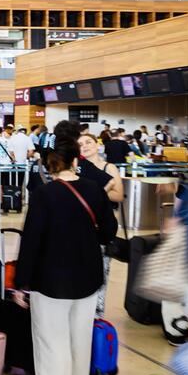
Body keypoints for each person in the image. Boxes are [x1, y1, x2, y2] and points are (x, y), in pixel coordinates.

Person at [13, 121, 117, 375]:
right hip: (88, 277)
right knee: (79, 339)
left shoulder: (45, 195)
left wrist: (21, 284)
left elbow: (31, 241)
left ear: (50, 165)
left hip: (51, 280)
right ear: (76, 160)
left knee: (51, 340)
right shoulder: (94, 190)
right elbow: (109, 231)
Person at [77, 133, 124, 318]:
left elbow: (119, 195)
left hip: (103, 226)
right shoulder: (77, 169)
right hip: (82, 227)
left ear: (97, 145)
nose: (85, 146)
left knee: (101, 273)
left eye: (88, 142)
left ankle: (98, 317)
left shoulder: (108, 167)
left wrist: (96, 192)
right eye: (80, 144)